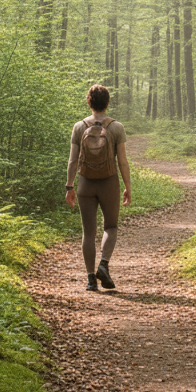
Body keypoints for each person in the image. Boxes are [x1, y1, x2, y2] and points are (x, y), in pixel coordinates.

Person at [65, 84, 131, 291]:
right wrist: (127, 186)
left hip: (85, 183)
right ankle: (104, 264)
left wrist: (69, 186)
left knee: (88, 232)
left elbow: (72, 161)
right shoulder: (116, 127)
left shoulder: (79, 127)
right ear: (107, 103)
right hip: (109, 182)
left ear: (89, 101)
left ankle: (91, 279)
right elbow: (122, 162)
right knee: (110, 227)